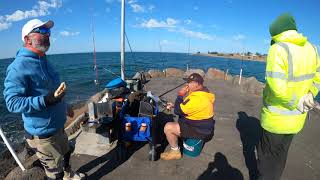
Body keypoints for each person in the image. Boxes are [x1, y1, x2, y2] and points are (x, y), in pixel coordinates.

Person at [3, 19, 85, 180]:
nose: (47, 35)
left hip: (58, 127)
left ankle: (69, 175)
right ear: (27, 39)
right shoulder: (17, 67)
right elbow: (12, 102)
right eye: (41, 31)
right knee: (55, 173)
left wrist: (65, 105)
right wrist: (45, 101)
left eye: (48, 32)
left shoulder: (44, 59)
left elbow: (52, 92)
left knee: (66, 152)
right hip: (43, 136)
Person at [257, 13, 320, 180]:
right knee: (281, 156)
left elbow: (277, 87)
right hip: (297, 119)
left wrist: (295, 101)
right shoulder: (312, 48)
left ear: (276, 33)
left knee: (266, 160)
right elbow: (317, 78)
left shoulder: (278, 48)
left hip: (275, 121)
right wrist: (310, 94)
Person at [160, 73, 215, 160]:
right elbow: (192, 107)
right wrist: (175, 105)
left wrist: (180, 95)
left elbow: (178, 111)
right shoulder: (204, 93)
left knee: (168, 127)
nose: (187, 85)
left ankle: (175, 152)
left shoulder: (197, 99)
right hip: (203, 127)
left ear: (196, 84)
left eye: (189, 82)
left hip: (198, 130)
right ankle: (183, 138)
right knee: (178, 120)